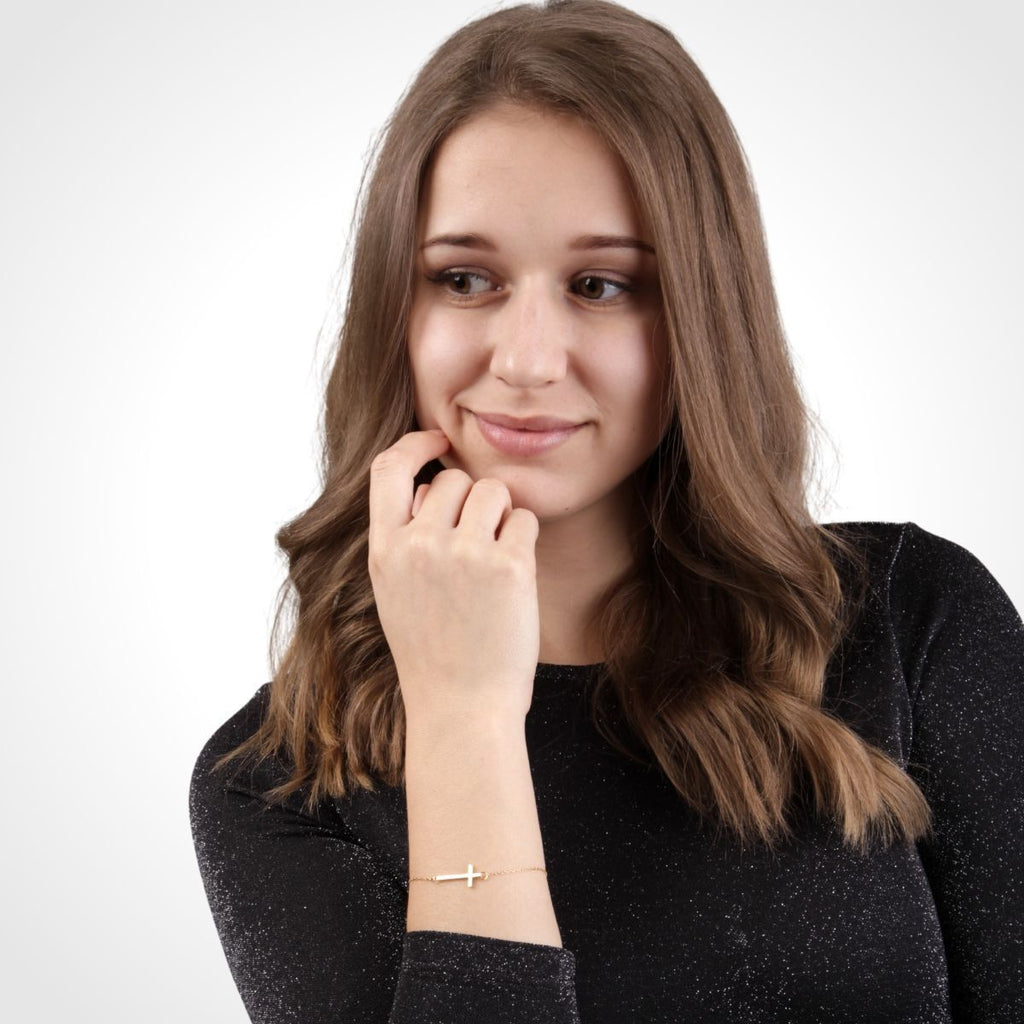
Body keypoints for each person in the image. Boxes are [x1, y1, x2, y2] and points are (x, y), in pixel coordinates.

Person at [188, 1, 1023, 1021]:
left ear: (699, 318)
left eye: (601, 284)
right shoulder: (274, 785)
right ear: (394, 317)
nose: (527, 358)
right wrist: (463, 720)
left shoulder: (910, 622)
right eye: (464, 278)